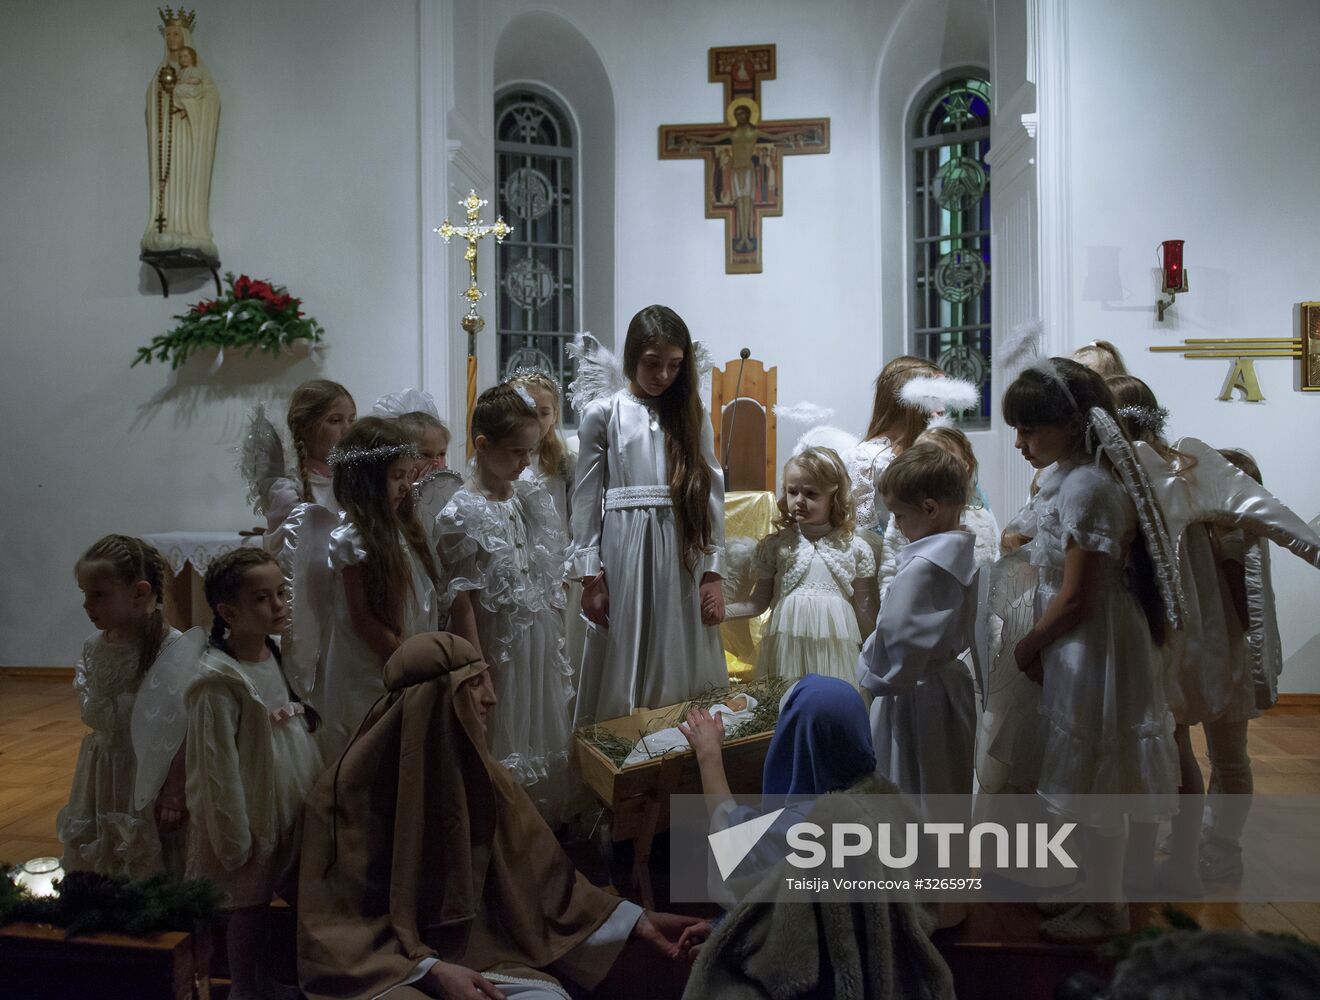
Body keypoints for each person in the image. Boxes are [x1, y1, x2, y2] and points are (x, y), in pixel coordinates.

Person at [297, 633, 701, 1000]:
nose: (491, 698)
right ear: (432, 702)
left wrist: (635, 920)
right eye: (474, 684)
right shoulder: (342, 800)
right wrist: (432, 971)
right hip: (390, 970)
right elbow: (336, 930)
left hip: (487, 956)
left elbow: (549, 886)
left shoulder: (489, 782)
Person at [1001, 358, 1181, 942]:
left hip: (1094, 645)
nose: (1021, 444)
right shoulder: (1073, 476)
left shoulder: (1088, 488)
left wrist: (1028, 645)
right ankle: (1090, 890)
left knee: (1099, 780)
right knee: (1085, 779)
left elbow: (1079, 596)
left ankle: (1108, 911)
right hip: (1081, 641)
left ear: (1074, 422)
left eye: (1030, 430)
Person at [677, 675, 956, 999]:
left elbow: (733, 844)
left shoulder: (814, 825)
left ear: (799, 740)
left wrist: (709, 756)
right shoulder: (888, 803)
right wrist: (727, 924)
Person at [569, 305, 727, 725]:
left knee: (678, 640)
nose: (663, 375)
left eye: (675, 365)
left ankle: (683, 737)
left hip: (681, 547)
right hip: (626, 547)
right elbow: (586, 499)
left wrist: (713, 570)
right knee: (627, 639)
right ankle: (623, 736)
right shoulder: (604, 413)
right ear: (632, 357)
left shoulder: (690, 412)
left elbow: (711, 489)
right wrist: (589, 575)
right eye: (652, 363)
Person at [436, 385, 578, 823]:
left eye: (530, 451)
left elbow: (541, 572)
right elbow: (460, 599)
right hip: (493, 644)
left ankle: (533, 830)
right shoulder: (462, 511)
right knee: (500, 732)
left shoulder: (527, 498)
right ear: (483, 445)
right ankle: (499, 830)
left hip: (535, 638)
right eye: (517, 452)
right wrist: (477, 667)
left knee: (537, 724)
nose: (526, 462)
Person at [189, 548, 324, 1000]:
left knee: (277, 896)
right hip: (250, 804)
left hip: (289, 789)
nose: (279, 605)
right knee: (248, 902)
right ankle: (243, 988)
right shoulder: (217, 680)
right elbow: (216, 765)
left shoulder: (274, 653)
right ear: (228, 612)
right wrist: (234, 833)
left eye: (282, 593)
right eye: (263, 598)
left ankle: (267, 979)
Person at [858, 444, 978, 798]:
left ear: (930, 509)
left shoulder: (923, 569)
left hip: (913, 698)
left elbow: (893, 645)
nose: (896, 524)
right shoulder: (961, 555)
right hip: (949, 687)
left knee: (911, 788)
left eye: (899, 515)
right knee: (946, 785)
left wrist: (866, 666)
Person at [57, 535, 180, 879]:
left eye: (98, 594)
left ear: (139, 593)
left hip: (148, 774)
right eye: (85, 594)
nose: (87, 605)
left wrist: (174, 792)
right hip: (102, 768)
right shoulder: (94, 647)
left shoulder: (171, 648)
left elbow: (179, 728)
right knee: (102, 849)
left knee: (144, 853)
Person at [317, 418, 441, 756]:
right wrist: (404, 662)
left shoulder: (402, 529)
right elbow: (363, 619)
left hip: (405, 652)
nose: (406, 486)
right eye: (397, 477)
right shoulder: (354, 538)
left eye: (408, 476)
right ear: (368, 481)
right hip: (372, 662)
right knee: (371, 741)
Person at [725, 446, 877, 686]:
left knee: (832, 698)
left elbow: (865, 610)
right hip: (787, 651)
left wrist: (877, 650)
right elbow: (758, 602)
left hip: (834, 653)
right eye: (792, 492)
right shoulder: (775, 546)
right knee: (787, 697)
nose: (799, 501)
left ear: (834, 497)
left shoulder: (854, 548)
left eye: (811, 493)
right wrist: (723, 612)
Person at [876, 424, 1001, 602]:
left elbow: (991, 570)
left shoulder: (982, 520)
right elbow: (889, 572)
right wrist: (890, 604)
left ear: (966, 467)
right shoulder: (903, 521)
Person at [141, 12, 221, 258]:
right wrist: (164, 93)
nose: (171, 38)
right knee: (167, 178)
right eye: (168, 34)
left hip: (187, 133)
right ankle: (166, 225)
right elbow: (152, 100)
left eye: (176, 33)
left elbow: (210, 101)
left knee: (185, 173)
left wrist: (187, 102)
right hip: (166, 137)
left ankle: (190, 227)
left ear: (185, 37)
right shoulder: (161, 71)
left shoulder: (199, 72)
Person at [844, 356, 942, 534]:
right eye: (934, 398)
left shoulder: (936, 452)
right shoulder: (865, 459)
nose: (941, 409)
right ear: (908, 402)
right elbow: (861, 532)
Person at [263, 379, 356, 534]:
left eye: (352, 420)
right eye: (335, 420)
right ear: (306, 429)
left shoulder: (355, 481)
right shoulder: (289, 491)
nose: (348, 429)